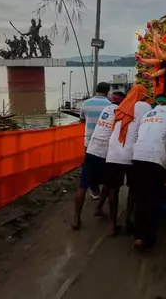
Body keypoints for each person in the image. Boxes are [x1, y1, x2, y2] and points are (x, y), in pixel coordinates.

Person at [72, 92, 125, 230]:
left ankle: (77, 219)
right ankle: (112, 223)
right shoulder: (121, 112)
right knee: (112, 187)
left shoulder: (105, 110)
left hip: (92, 149)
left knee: (83, 185)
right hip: (107, 154)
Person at [104, 84, 151, 236]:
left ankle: (112, 224)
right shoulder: (144, 106)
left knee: (113, 189)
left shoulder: (122, 105)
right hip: (131, 153)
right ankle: (126, 220)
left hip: (112, 151)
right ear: (143, 94)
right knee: (134, 188)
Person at [130, 94, 166, 251]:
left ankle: (139, 236)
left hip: (137, 156)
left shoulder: (147, 114)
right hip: (156, 157)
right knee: (154, 197)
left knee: (140, 197)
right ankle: (150, 236)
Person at [80, 82, 112, 200]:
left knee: (90, 167)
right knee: (104, 167)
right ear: (107, 92)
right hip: (105, 142)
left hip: (89, 142)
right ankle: (105, 190)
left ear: (96, 90)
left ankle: (95, 191)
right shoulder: (110, 105)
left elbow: (82, 119)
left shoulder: (85, 103)